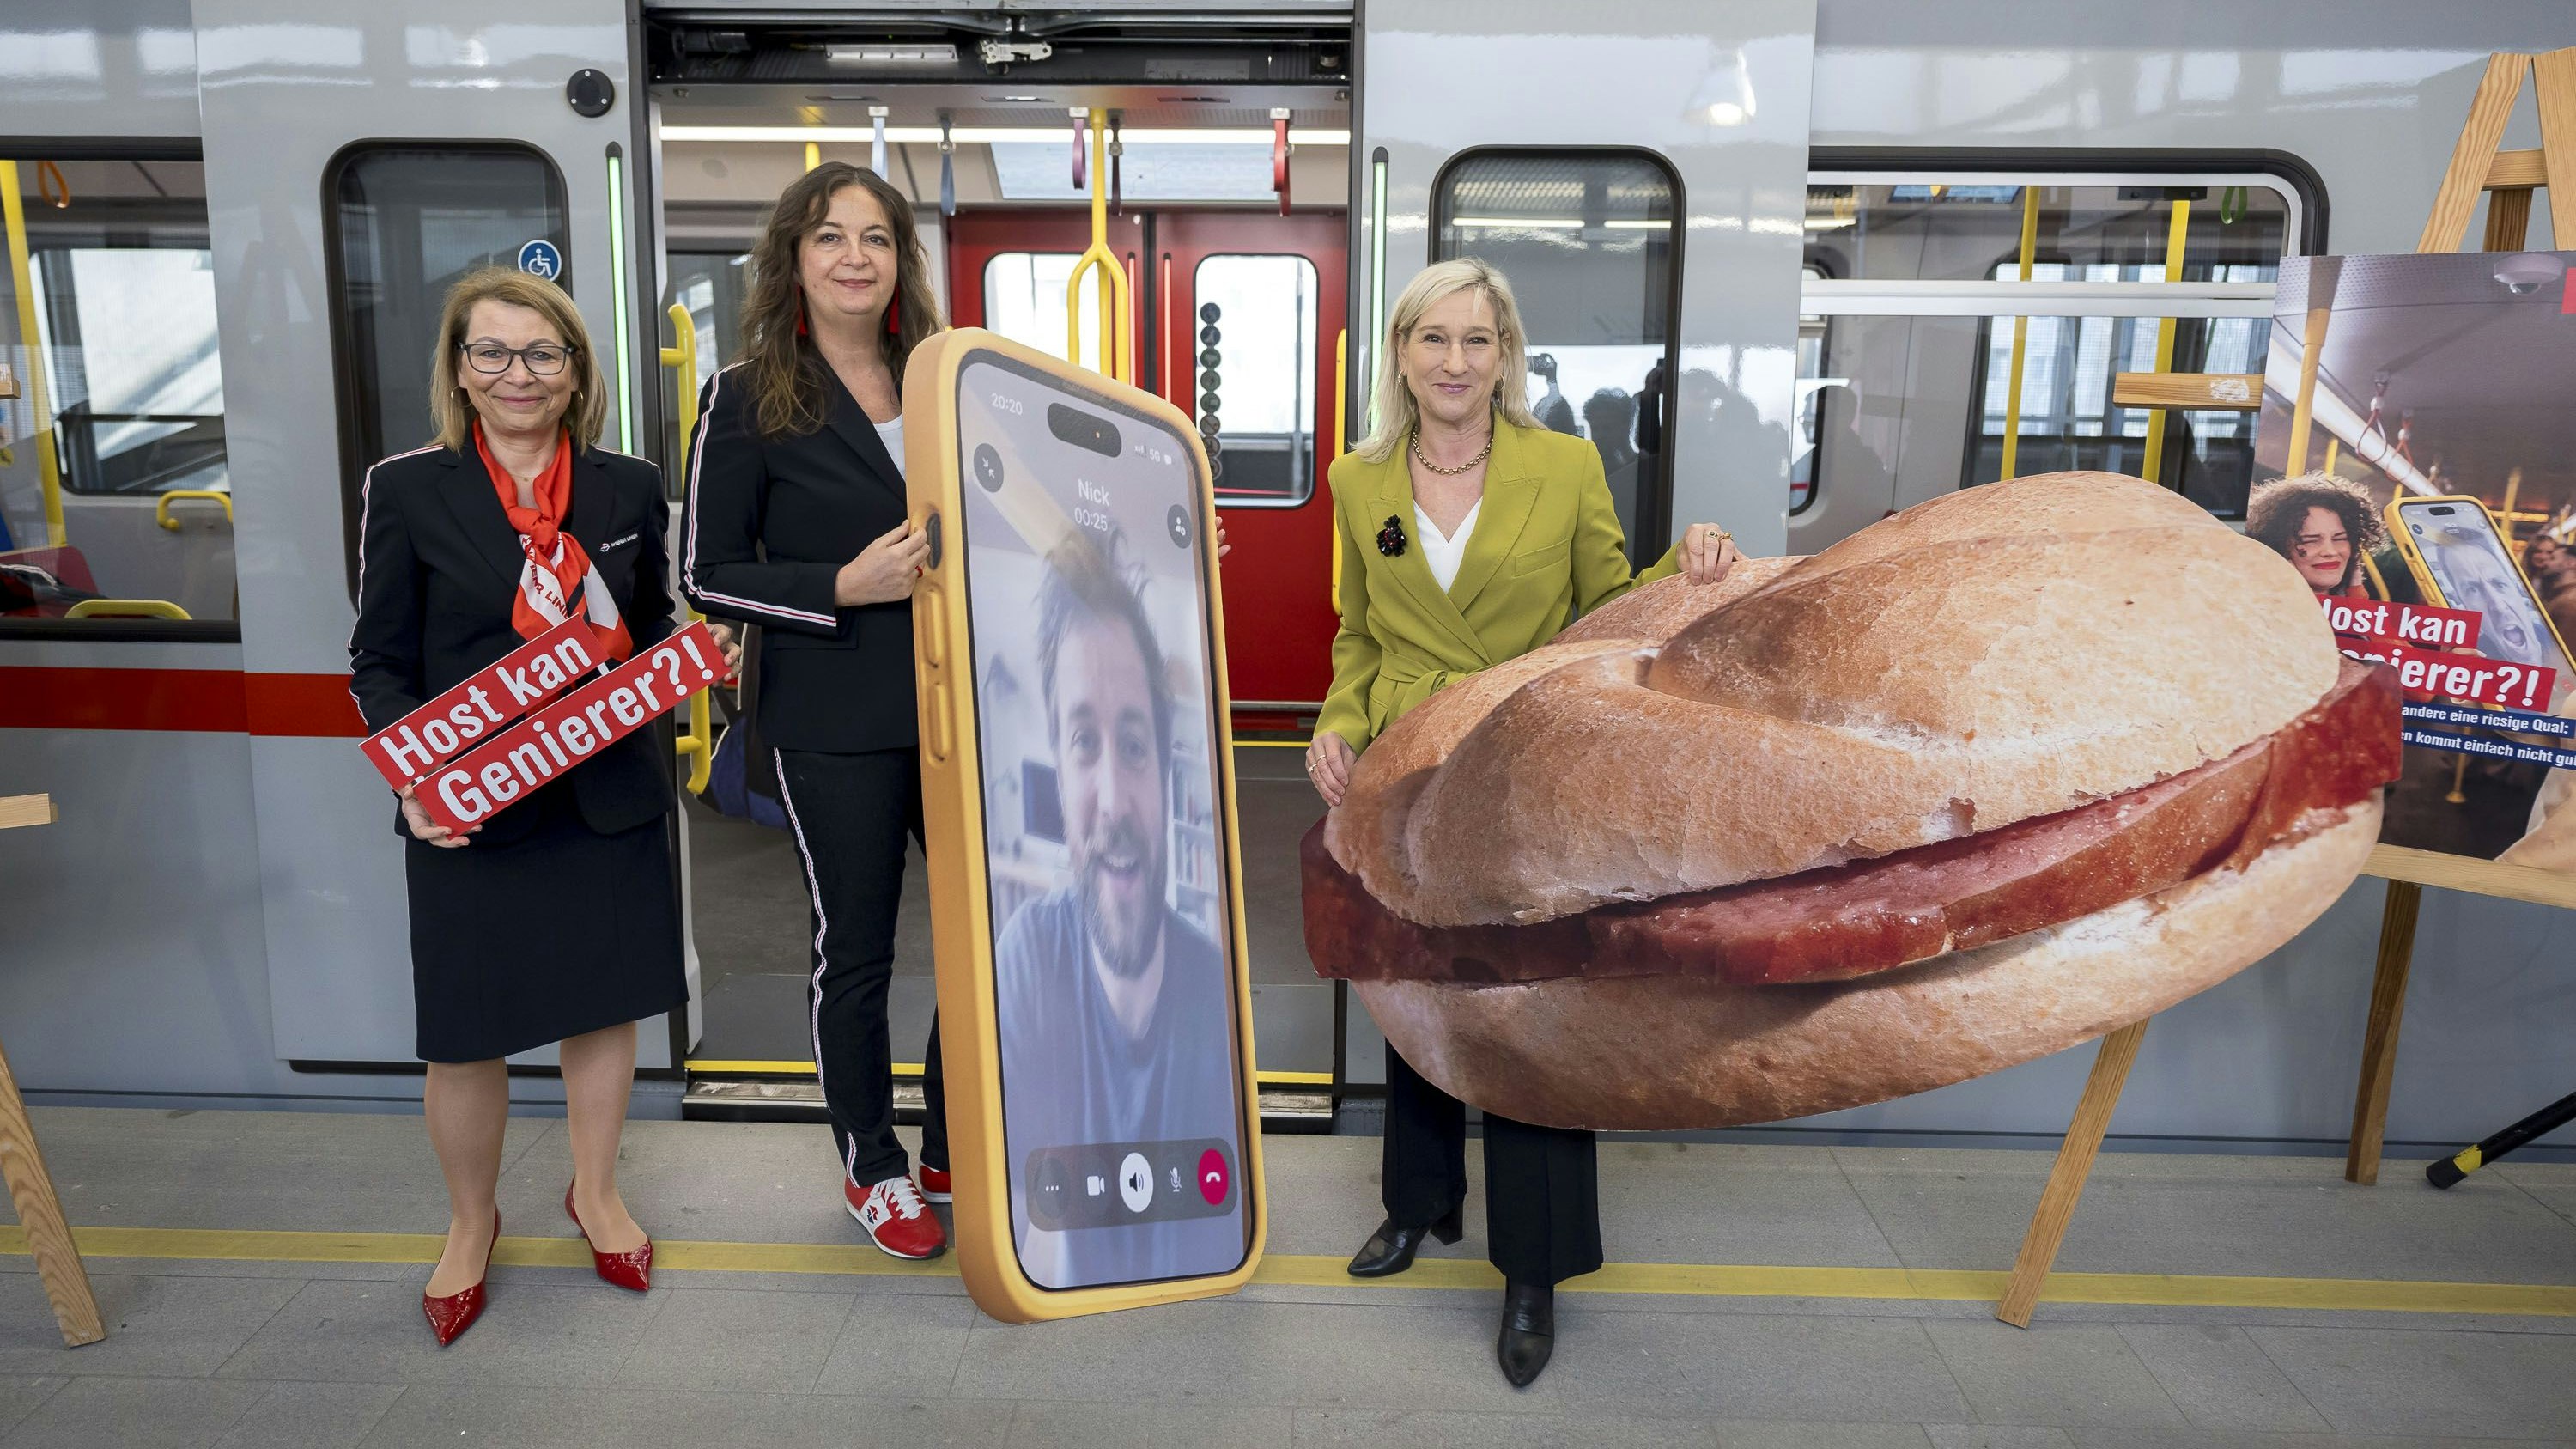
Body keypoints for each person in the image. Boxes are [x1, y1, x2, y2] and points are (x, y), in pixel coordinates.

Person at [1305, 257, 1738, 1386]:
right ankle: (1418, 1203)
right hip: (1407, 764)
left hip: (1524, 756)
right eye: (1434, 339)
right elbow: (1360, 630)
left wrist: (1691, 567)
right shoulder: (1360, 480)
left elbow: (1610, 603)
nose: (1456, 362)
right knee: (1414, 986)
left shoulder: (1562, 463)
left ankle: (1533, 1268)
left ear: (1507, 355)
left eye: (1478, 340)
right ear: (1401, 352)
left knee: (1532, 1009)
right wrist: (1337, 718)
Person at [349, 267, 709, 1344]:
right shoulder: (409, 489)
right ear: (459, 372)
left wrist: (691, 658)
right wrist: (416, 779)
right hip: (470, 802)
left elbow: (647, 631)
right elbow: (379, 663)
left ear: (575, 372)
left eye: (543, 354)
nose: (518, 374)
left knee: (602, 1005)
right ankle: (471, 1222)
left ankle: (594, 1193)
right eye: (492, 353)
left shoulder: (630, 487)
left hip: (603, 797)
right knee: (465, 1034)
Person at [680, 161, 955, 1260]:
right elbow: (705, 571)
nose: (855, 256)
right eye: (831, 236)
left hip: (961, 712)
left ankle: (954, 1136)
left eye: (877, 238)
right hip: (832, 716)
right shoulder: (746, 396)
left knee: (990, 940)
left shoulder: (944, 381)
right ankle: (873, 1162)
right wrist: (841, 586)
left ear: (900, 261)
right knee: (861, 952)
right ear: (793, 257)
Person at [993, 539, 1243, 1286]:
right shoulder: (1027, 962)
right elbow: (1027, 1231)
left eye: (1133, 745)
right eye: (1082, 742)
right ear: (1059, 775)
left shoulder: (1213, 987)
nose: (1109, 797)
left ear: (1167, 771)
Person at [2245, 472, 2383, 598]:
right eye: (2310, 540)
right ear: (2278, 548)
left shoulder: (2357, 603)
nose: (2330, 551)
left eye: (2340, 538)